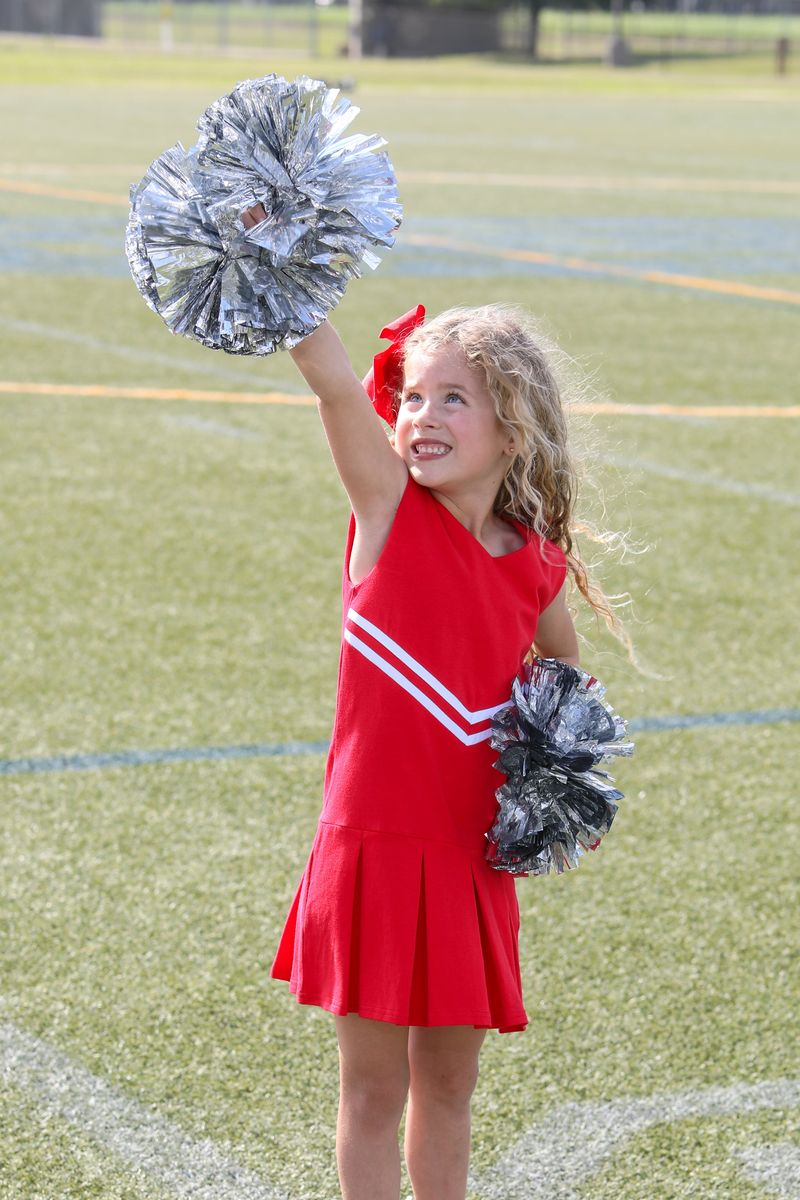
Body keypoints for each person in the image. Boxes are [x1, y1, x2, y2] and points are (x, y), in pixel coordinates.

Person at [261, 289, 627, 1200]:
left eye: (453, 398)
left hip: (471, 859)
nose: (421, 416)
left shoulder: (532, 558)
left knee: (452, 1086)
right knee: (375, 1089)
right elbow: (338, 389)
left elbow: (564, 663)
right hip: (375, 851)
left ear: (513, 429)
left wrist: (552, 762)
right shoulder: (386, 513)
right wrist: (278, 274)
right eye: (414, 396)